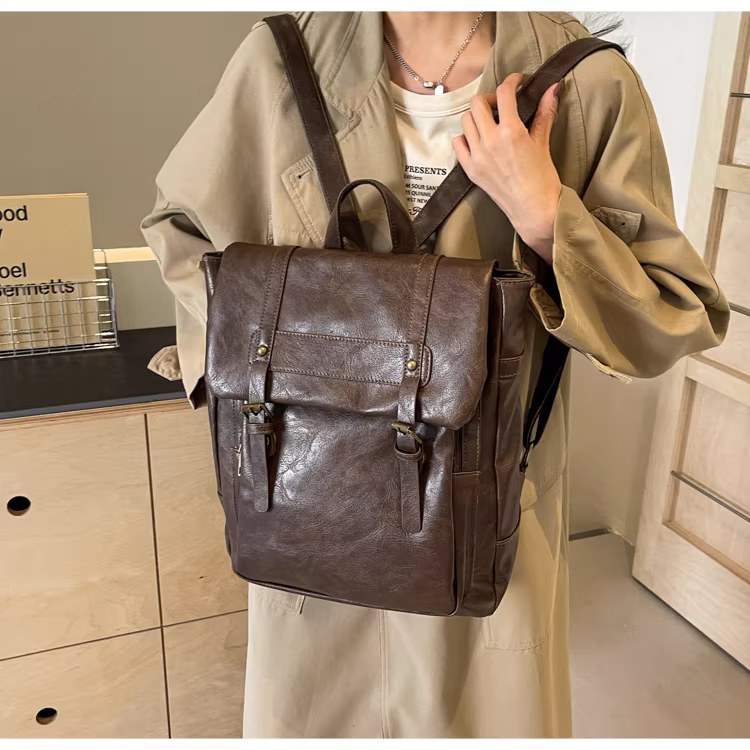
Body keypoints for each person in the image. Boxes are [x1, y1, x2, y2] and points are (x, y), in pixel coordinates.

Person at [141, 11, 728, 738]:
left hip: (488, 516)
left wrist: (549, 219)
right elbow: (183, 235)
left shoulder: (584, 82)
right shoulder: (280, 60)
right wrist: (293, 346)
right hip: (311, 510)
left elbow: (668, 319)